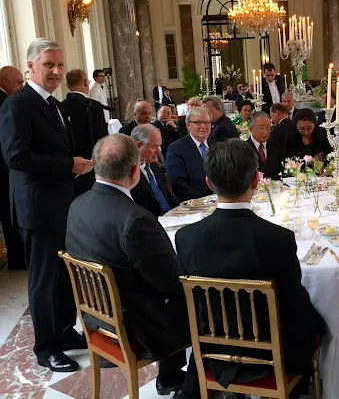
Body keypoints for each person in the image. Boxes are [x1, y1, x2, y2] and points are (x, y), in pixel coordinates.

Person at [174, 138, 324, 399]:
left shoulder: (185, 238)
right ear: (256, 181)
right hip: (272, 353)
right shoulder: (277, 239)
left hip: (213, 348)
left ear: (209, 183)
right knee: (319, 320)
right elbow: (294, 304)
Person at [66, 134, 191, 395]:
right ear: (135, 171)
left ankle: (170, 376)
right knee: (203, 303)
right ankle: (196, 384)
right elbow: (170, 282)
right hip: (135, 327)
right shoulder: (135, 219)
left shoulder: (77, 205)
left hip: (95, 316)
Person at [0, 38, 94, 372]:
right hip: (38, 208)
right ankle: (46, 347)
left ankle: (65, 330)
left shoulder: (54, 104)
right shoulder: (18, 104)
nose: (55, 71)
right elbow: (15, 156)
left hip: (61, 203)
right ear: (31, 67)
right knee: (44, 279)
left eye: (58, 65)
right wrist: (68, 165)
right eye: (47, 65)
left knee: (64, 274)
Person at [61, 69, 109, 194]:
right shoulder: (94, 107)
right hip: (91, 163)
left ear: (67, 86)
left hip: (68, 165)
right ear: (86, 82)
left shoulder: (60, 107)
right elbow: (102, 140)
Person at [0, 65, 26, 270]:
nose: (21, 86)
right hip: (5, 170)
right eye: (18, 82)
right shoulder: (6, 103)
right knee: (10, 216)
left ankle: (17, 256)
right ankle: (17, 258)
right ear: (5, 81)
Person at [165, 107, 213, 202]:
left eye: (207, 122)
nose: (203, 126)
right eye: (198, 122)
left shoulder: (217, 145)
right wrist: (204, 201)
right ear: (188, 126)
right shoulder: (176, 149)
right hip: (192, 205)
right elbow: (178, 184)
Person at [130, 124, 178, 217]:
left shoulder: (154, 166)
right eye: (154, 147)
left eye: (159, 146)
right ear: (139, 146)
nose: (159, 151)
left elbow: (167, 196)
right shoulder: (129, 174)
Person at [246, 111, 284, 180]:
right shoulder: (244, 148)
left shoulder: (276, 147)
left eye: (268, 128)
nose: (265, 132)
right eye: (261, 128)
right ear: (251, 129)